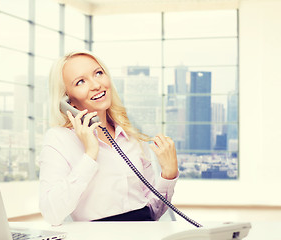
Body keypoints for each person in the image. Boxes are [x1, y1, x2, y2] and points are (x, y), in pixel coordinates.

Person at [38, 50, 179, 226]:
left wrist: (168, 175)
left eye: (98, 73)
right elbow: (51, 213)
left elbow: (153, 213)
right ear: (68, 100)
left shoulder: (130, 136)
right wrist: (90, 155)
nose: (96, 85)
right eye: (80, 82)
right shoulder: (59, 139)